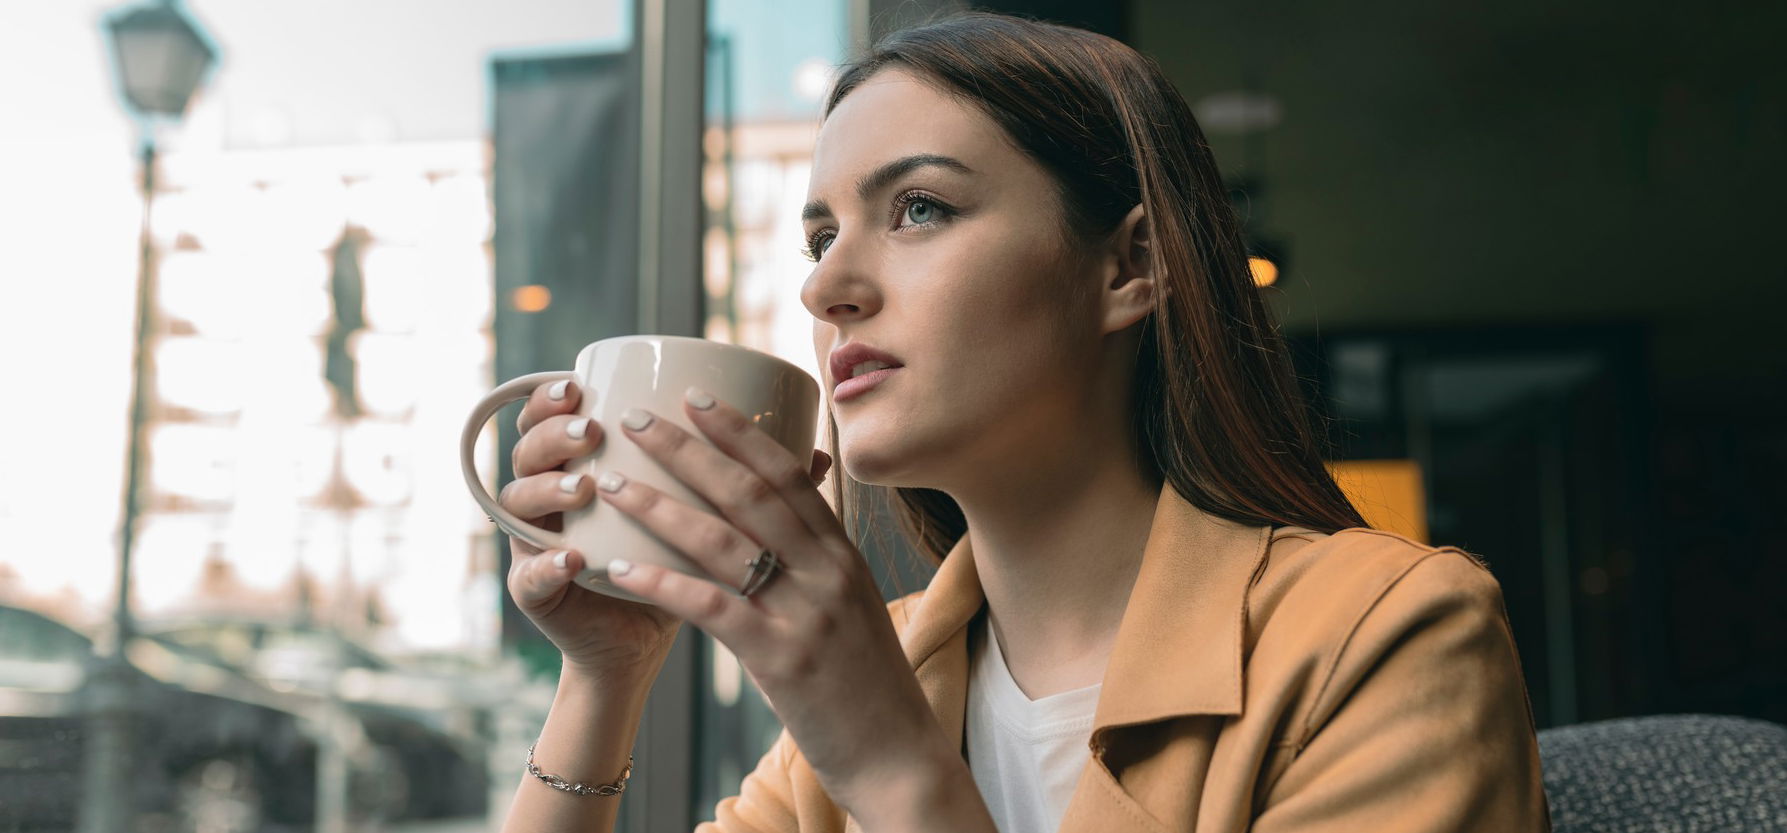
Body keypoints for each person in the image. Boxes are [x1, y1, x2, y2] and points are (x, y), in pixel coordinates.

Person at [494, 11, 1551, 833]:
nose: (828, 290)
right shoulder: (890, 664)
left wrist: (898, 773)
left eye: (918, 209)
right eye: (820, 239)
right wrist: (604, 674)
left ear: (1129, 264)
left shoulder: (1382, 638)